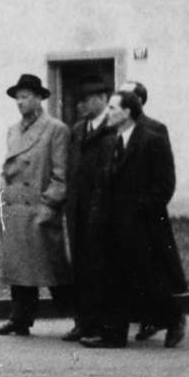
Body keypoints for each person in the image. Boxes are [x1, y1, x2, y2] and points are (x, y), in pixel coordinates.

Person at [82, 88, 187, 349]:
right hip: (111, 225)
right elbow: (101, 184)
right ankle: (113, 336)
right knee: (113, 278)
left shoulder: (151, 139)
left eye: (114, 109)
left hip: (142, 226)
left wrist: (140, 209)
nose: (109, 114)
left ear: (128, 112)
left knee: (148, 278)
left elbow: (165, 184)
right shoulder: (109, 142)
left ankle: (174, 319)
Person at [0, 73, 72, 337]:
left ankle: (83, 318)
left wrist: (49, 206)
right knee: (19, 269)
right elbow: (8, 168)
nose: (20, 102)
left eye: (25, 97)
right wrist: (2, 199)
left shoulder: (55, 129)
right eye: (18, 97)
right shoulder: (13, 130)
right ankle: (20, 318)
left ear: (39, 99)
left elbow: (61, 175)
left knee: (52, 269)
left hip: (39, 207)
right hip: (15, 207)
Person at [63, 75, 117, 342]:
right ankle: (86, 322)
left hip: (103, 210)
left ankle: (103, 326)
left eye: (85, 100)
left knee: (102, 269)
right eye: (78, 100)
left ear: (103, 99)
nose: (80, 105)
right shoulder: (78, 130)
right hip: (78, 210)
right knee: (81, 268)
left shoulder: (114, 126)